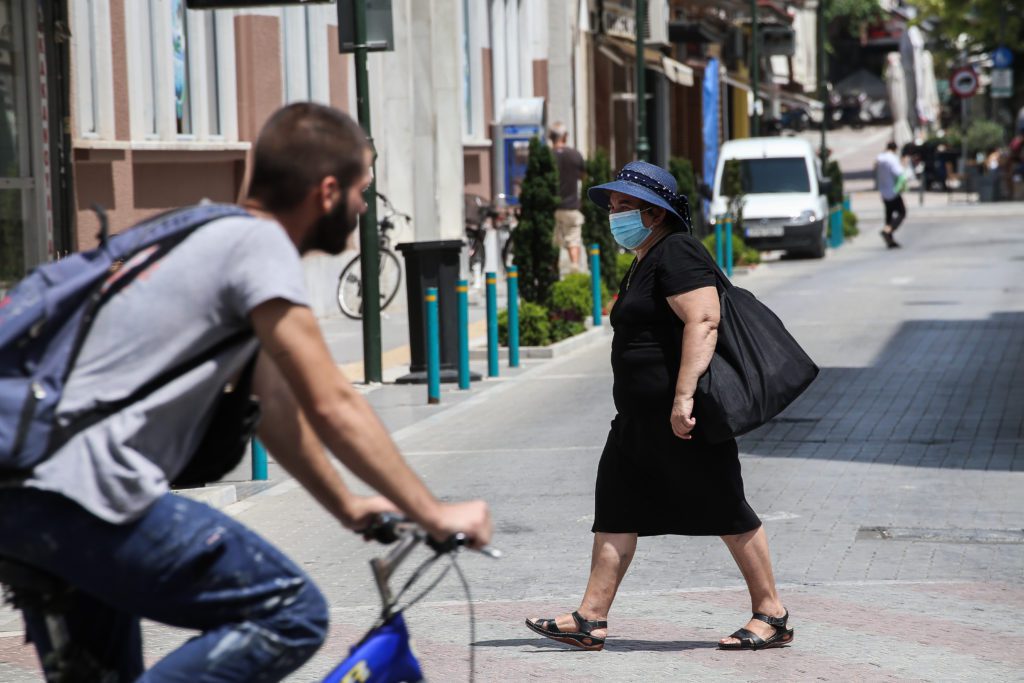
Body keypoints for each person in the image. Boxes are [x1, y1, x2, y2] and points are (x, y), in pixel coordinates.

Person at [0, 103, 492, 681]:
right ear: (327, 190)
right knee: (290, 613)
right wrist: (431, 511)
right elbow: (331, 401)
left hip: (25, 490)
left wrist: (348, 506)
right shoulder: (258, 247)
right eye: (362, 190)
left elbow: (276, 411)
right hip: (83, 492)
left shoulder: (197, 231)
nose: (364, 208)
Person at [525, 161, 793, 652]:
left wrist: (684, 397)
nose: (613, 215)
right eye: (611, 207)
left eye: (622, 207)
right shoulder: (647, 256)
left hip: (681, 420)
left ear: (652, 213)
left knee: (727, 509)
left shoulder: (678, 252)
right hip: (637, 422)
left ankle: (771, 613)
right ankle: (591, 617)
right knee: (614, 509)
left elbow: (705, 319)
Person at [549, 122, 586, 273]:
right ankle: (574, 269)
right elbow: (584, 177)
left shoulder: (548, 156)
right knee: (573, 240)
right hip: (571, 206)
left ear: (550, 137)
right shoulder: (575, 155)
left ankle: (553, 272)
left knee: (553, 243)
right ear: (565, 136)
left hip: (552, 207)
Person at [876, 141, 907, 248]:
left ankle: (890, 240)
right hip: (893, 191)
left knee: (888, 215)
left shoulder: (880, 158)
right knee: (902, 212)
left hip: (883, 191)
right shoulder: (892, 159)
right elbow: (899, 174)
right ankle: (887, 230)